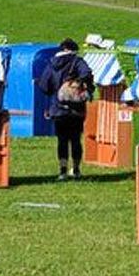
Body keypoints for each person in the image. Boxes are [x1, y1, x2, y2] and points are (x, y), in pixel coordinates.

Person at [39, 39, 94, 179]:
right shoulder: (77, 61)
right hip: (76, 108)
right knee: (76, 139)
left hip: (58, 108)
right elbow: (87, 73)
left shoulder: (52, 64)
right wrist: (78, 84)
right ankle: (76, 170)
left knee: (62, 140)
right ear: (73, 49)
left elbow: (44, 86)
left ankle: (62, 171)